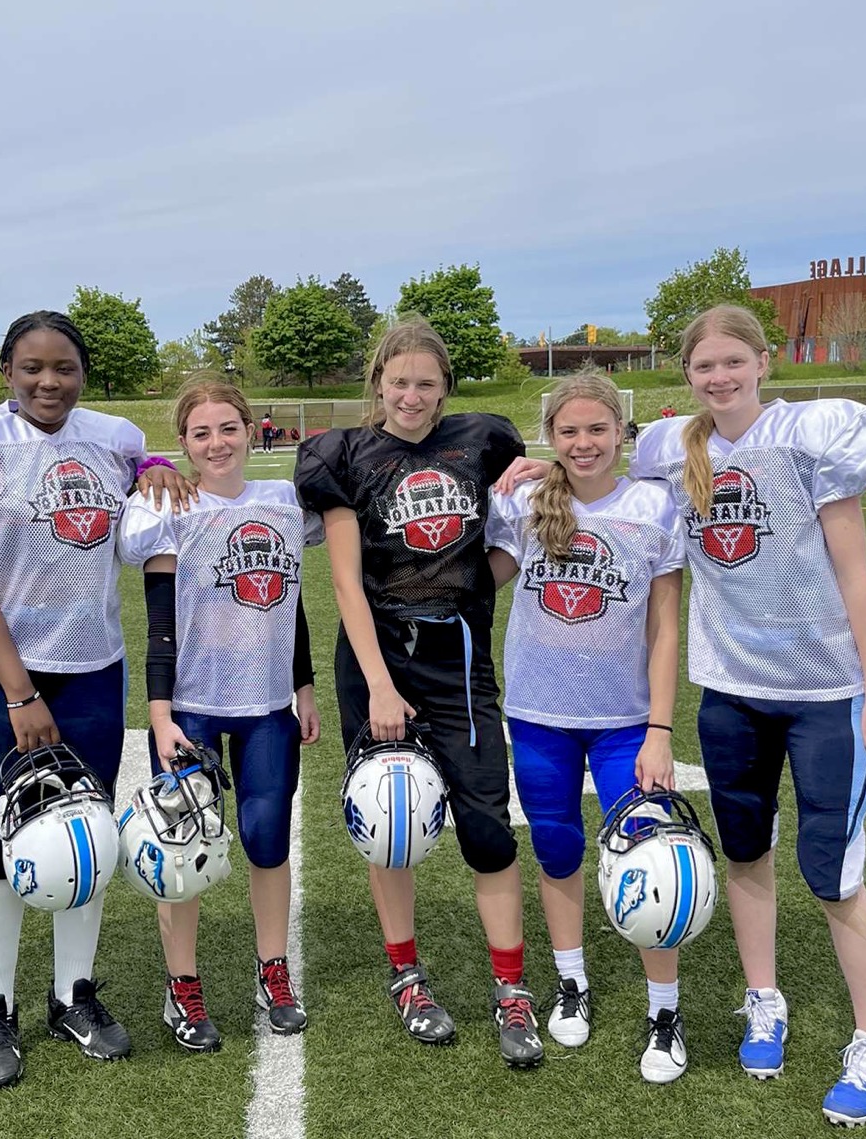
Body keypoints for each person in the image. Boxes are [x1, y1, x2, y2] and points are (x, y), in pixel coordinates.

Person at [629, 304, 866, 1127]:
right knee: (747, 852)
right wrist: (536, 470)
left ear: (763, 361)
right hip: (732, 689)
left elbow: (856, 577)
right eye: (703, 367)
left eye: (731, 362)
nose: (718, 378)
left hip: (825, 691)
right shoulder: (674, 447)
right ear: (687, 376)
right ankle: (764, 999)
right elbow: (597, 465)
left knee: (833, 872)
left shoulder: (809, 436)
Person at [0, 310, 191, 1089]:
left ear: (83, 374)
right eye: (32, 367)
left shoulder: (107, 439)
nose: (48, 381)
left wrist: (161, 459)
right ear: (6, 371)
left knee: (89, 836)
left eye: (64, 367)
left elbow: (148, 460)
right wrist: (18, 690)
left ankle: (73, 992)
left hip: (94, 664)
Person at [293, 315, 552, 1069]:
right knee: (390, 816)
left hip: (459, 654)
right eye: (399, 381)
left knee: (488, 827)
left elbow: (514, 523)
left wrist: (489, 574)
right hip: (377, 652)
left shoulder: (481, 439)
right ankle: (406, 972)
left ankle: (511, 987)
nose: (411, 396)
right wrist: (378, 682)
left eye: (426, 383)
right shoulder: (343, 452)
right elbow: (344, 578)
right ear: (378, 382)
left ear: (446, 389)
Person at [486, 372, 688, 1081]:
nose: (583, 442)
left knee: (650, 855)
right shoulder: (523, 502)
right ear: (550, 437)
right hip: (539, 712)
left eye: (597, 429)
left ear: (621, 433)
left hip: (625, 718)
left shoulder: (653, 505)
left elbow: (666, 627)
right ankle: (571, 978)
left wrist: (660, 728)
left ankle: (665, 1007)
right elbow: (482, 575)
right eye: (568, 431)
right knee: (557, 847)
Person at [120, 379, 322, 1051]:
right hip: (194, 704)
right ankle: (182, 983)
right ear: (183, 443)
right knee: (182, 851)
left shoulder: (282, 503)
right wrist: (160, 713)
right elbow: (158, 625)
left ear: (249, 429)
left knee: (268, 838)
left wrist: (305, 686)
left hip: (267, 703)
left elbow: (287, 601)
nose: (217, 442)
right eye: (201, 432)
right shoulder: (168, 508)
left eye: (228, 427)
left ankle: (273, 970)